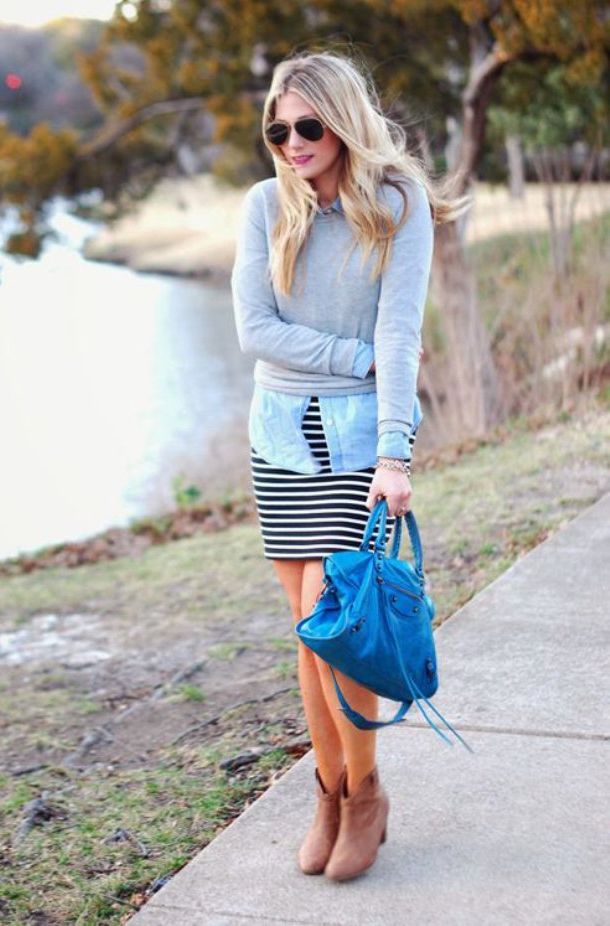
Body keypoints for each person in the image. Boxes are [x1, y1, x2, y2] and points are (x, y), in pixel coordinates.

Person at [231, 49, 465, 882]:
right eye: (278, 128)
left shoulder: (396, 204)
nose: (291, 141)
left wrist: (396, 452)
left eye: (307, 126)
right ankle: (327, 793)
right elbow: (254, 330)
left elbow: (400, 336)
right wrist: (353, 355)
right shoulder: (266, 206)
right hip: (280, 438)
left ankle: (366, 794)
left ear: (342, 120)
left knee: (342, 627)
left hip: (359, 442)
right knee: (308, 629)